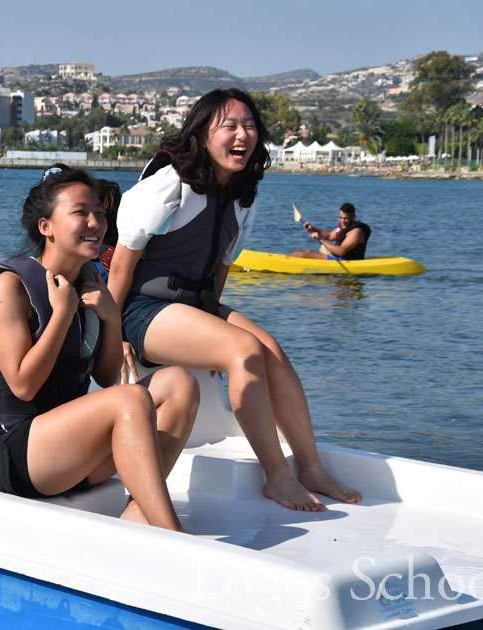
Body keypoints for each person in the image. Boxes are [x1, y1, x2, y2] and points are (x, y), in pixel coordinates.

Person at [107, 88, 361, 512]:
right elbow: (119, 270)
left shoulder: (242, 195)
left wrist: (210, 334)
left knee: (270, 351)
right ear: (203, 134)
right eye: (229, 126)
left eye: (249, 126)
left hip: (194, 304)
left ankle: (311, 467)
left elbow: (220, 268)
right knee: (242, 350)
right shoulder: (168, 187)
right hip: (141, 309)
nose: (242, 135)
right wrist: (113, 338)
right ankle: (278, 478)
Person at [0, 168, 198, 531]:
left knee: (180, 383)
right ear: (46, 227)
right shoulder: (9, 288)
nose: (96, 222)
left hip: (65, 451)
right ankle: (172, 533)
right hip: (12, 451)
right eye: (80, 212)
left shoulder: (90, 282)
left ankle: (140, 509)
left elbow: (105, 377)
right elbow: (22, 385)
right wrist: (61, 314)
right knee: (132, 400)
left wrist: (111, 319)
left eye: (100, 213)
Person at [290, 202, 371, 260]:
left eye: (346, 218)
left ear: (354, 217)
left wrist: (321, 240)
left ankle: (282, 263)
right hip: (337, 257)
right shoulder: (344, 226)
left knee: (307, 253)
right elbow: (329, 236)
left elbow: (341, 251)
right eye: (341, 218)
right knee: (299, 251)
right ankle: (283, 259)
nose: (342, 221)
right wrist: (312, 229)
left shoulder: (357, 232)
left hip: (345, 260)